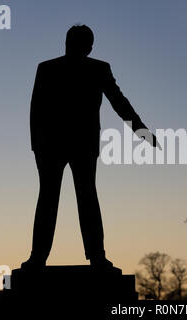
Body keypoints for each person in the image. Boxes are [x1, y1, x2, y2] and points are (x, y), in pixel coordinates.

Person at [21, 25, 157, 269]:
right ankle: (69, 256)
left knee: (69, 199)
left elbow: (118, 101)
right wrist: (36, 145)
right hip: (60, 145)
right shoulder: (77, 69)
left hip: (66, 145)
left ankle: (74, 256)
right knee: (72, 199)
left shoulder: (66, 69)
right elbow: (37, 109)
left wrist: (140, 129)